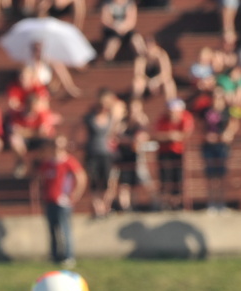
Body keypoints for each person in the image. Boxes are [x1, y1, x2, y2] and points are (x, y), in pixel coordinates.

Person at [36, 136, 87, 267]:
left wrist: (74, 195)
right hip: (49, 200)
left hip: (63, 202)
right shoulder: (47, 163)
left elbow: (81, 178)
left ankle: (68, 256)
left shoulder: (69, 162)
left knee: (65, 229)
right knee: (52, 230)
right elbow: (40, 179)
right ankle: (54, 256)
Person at [83, 89, 123, 219]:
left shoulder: (111, 117)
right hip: (92, 152)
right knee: (94, 181)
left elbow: (120, 109)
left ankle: (105, 206)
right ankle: (98, 208)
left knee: (107, 181)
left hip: (106, 153)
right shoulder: (90, 117)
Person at [200, 87, 238, 212]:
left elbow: (233, 125)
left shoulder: (227, 112)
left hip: (222, 146)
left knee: (221, 176)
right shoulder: (206, 111)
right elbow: (200, 127)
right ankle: (212, 202)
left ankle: (221, 202)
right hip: (209, 146)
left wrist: (227, 134)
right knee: (211, 176)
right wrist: (206, 136)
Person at [154, 98, 193, 211]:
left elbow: (185, 134)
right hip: (164, 152)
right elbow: (157, 135)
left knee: (178, 179)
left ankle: (177, 203)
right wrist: (170, 136)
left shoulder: (185, 117)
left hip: (179, 152)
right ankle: (165, 203)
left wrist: (173, 136)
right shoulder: (163, 119)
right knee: (165, 178)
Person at [132, 35, 176, 101]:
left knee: (169, 83)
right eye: (147, 44)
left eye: (150, 44)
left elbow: (167, 72)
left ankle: (171, 103)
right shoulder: (141, 56)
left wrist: (156, 81)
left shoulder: (161, 54)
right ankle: (136, 105)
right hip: (146, 80)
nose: (149, 47)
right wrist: (149, 82)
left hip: (159, 80)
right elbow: (138, 73)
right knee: (137, 84)